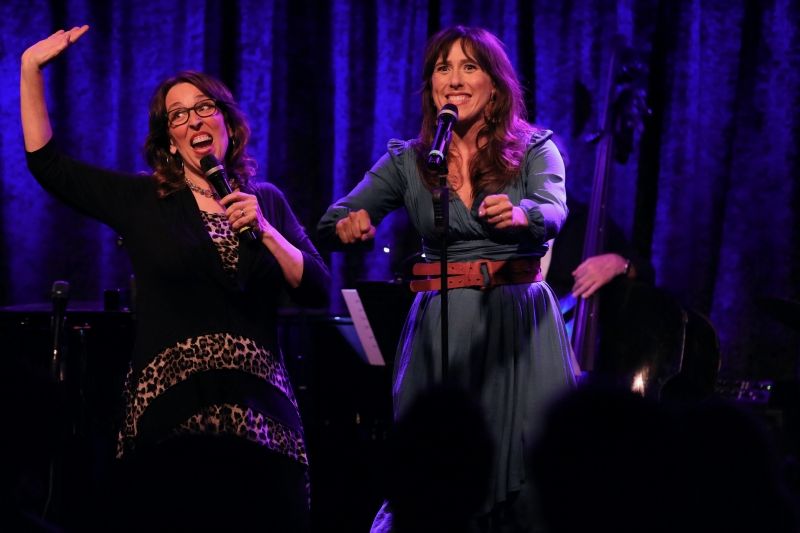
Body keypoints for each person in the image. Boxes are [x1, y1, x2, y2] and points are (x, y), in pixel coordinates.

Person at [21, 26, 329, 531]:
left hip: (262, 417)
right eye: (178, 115)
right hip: (173, 411)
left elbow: (317, 288)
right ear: (169, 137)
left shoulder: (265, 200)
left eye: (204, 107)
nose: (193, 120)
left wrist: (268, 231)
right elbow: (49, 166)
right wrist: (30, 68)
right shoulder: (146, 201)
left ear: (227, 121)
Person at [318, 25, 577, 531]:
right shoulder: (411, 160)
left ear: (497, 86)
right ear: (431, 88)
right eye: (443, 68)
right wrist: (350, 225)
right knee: (435, 480)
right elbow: (333, 220)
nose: (454, 80)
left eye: (469, 66)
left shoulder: (535, 149)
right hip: (440, 331)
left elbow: (554, 207)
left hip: (519, 327)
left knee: (533, 487)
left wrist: (524, 215)